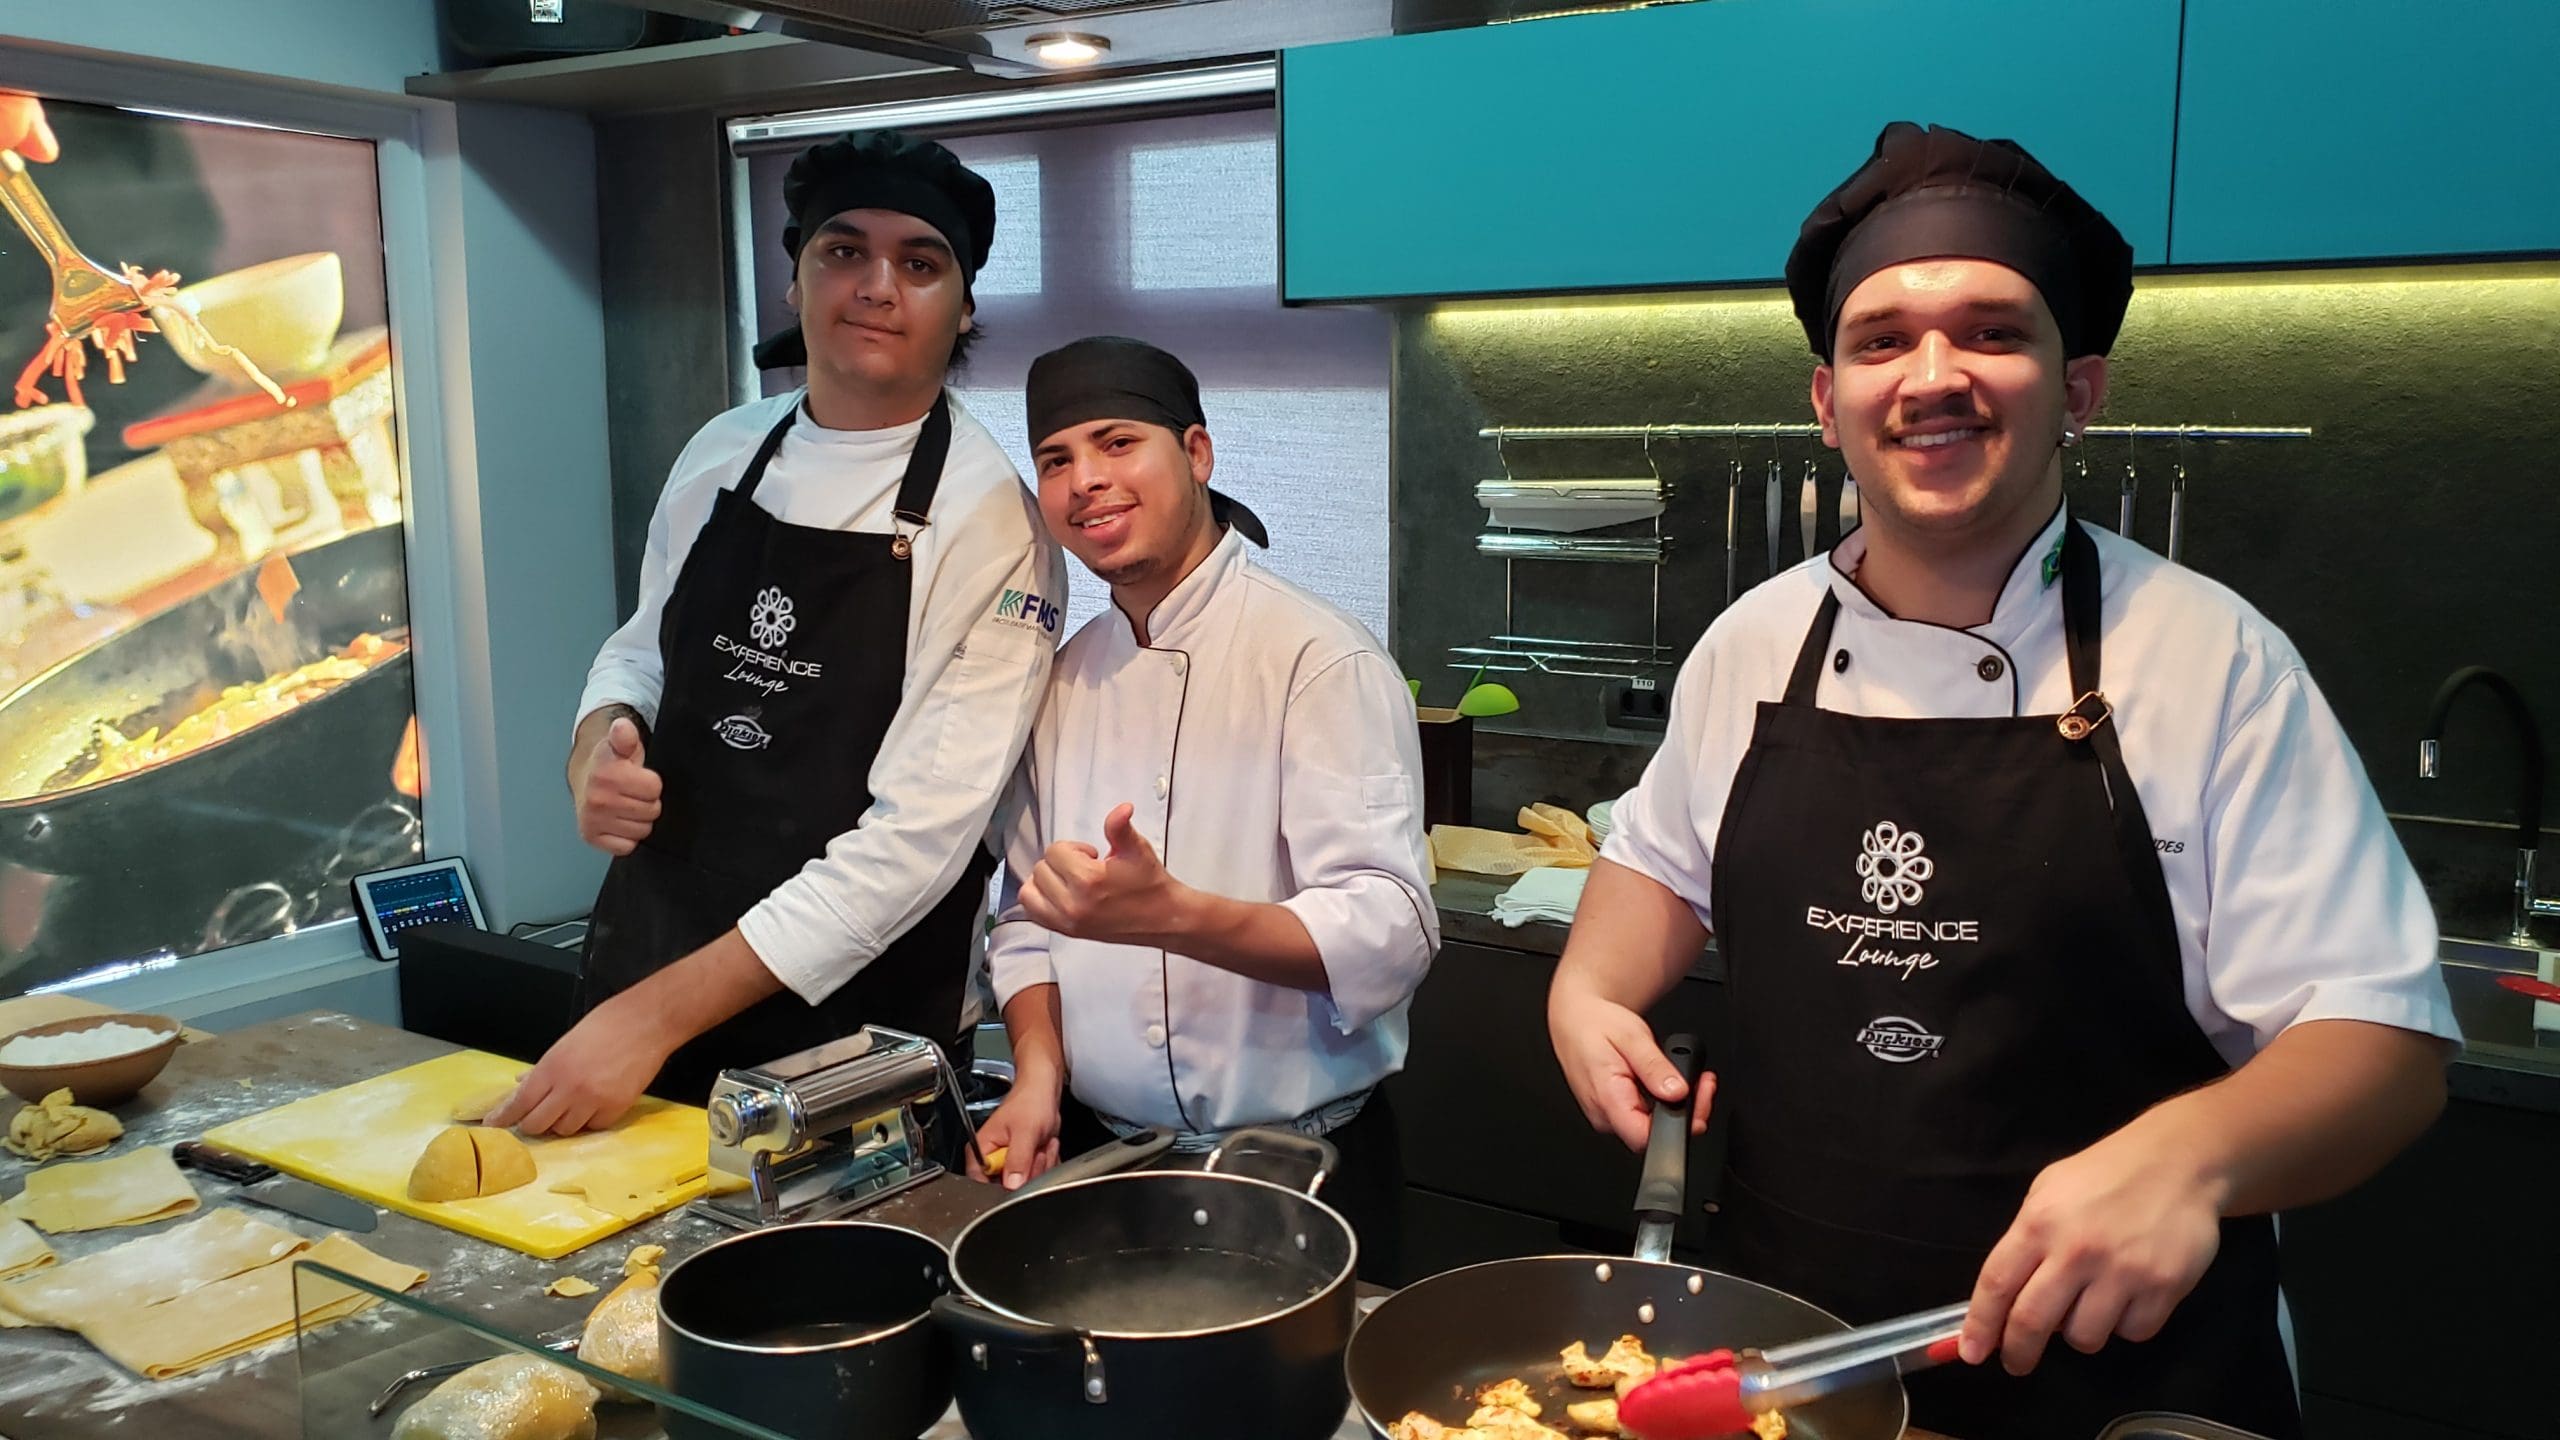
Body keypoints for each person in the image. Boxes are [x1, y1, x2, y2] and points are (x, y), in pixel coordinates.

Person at [1544, 122, 2458, 1439]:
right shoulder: (1752, 643)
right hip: (1798, 1355)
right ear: (1827, 402)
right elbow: (1653, 864)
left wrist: (2188, 1159)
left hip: (2123, 1375)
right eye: (1882, 340)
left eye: (1990, 332)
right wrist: (1585, 993)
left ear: (2077, 390)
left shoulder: (2210, 660)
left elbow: (2385, 1044)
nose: (1933, 377)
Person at [491, 131, 1067, 1134]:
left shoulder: (992, 521)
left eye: (919, 263)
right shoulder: (724, 449)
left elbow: (916, 845)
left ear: (963, 307)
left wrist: (651, 1020)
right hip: (645, 974)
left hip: (843, 1046)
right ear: (796, 281)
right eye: (843, 251)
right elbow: (640, 648)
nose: (876, 286)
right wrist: (593, 753)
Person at [972, 336, 1435, 1279]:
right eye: (1056, 460)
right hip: (1102, 1161)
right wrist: (1037, 1076)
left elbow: (1392, 931)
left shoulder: (1318, 659)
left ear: (1196, 453)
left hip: (1298, 1171)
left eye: (1116, 443)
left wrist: (1173, 916)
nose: (1085, 481)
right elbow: (1024, 917)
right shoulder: (1062, 680)